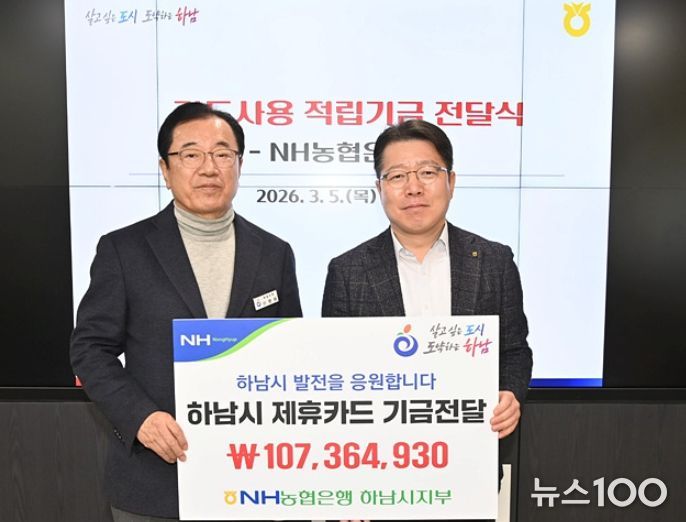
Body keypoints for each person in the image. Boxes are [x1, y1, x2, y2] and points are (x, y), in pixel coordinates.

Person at [71, 102, 302, 521]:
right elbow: (90, 349)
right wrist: (140, 417)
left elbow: (291, 351)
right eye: (191, 154)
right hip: (155, 480)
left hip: (254, 477)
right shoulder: (124, 250)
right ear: (165, 168)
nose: (209, 168)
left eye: (223, 154)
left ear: (240, 164)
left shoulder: (274, 252)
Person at [322, 119, 533, 497]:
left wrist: (510, 394)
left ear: (451, 181)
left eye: (427, 172)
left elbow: (515, 350)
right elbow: (335, 372)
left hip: (468, 465)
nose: (414, 187)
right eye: (397, 176)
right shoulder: (347, 271)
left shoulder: (494, 261)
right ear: (379, 188)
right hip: (377, 471)